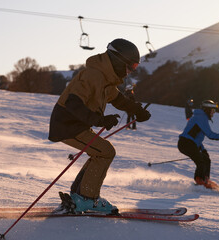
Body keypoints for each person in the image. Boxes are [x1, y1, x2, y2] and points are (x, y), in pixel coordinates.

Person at [48, 38, 151, 214]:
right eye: (130, 67)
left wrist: (137, 111)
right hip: (67, 124)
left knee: (99, 152)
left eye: (134, 68)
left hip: (75, 124)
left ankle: (79, 196)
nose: (129, 72)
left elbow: (119, 100)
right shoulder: (93, 75)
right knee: (106, 152)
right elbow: (73, 103)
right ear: (118, 61)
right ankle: (87, 198)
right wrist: (99, 120)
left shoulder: (106, 79)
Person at [177, 100, 219, 189]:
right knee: (201, 161)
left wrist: (202, 149)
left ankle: (205, 179)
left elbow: (197, 138)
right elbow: (210, 135)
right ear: (207, 110)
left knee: (206, 159)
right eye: (212, 110)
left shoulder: (201, 117)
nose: (213, 113)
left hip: (189, 143)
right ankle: (200, 181)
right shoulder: (201, 117)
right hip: (186, 143)